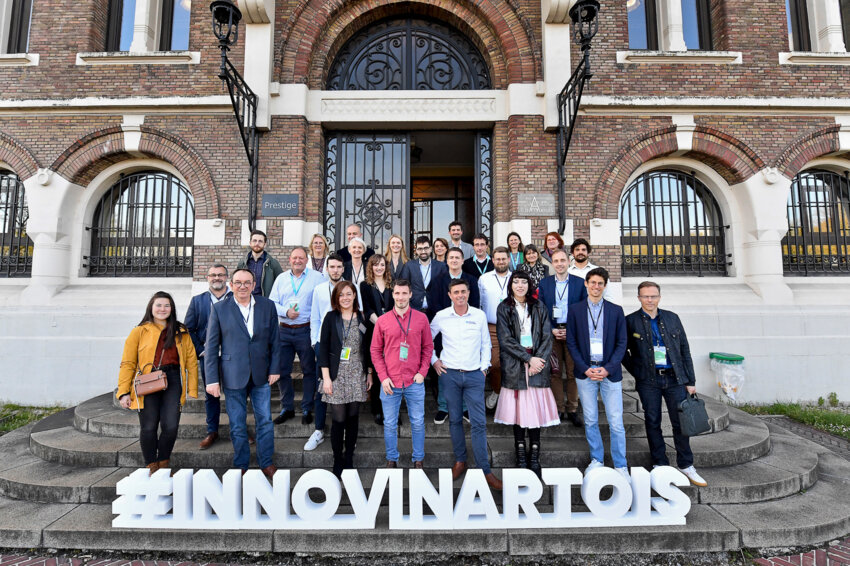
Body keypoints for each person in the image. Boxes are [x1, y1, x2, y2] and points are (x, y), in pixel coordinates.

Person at [623, 281, 708, 487]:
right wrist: (639, 371)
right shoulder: (630, 321)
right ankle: (660, 463)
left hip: (674, 379)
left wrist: (690, 381)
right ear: (639, 298)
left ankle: (686, 464)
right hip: (648, 381)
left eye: (653, 296)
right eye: (645, 296)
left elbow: (684, 349)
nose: (650, 300)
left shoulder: (672, 318)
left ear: (659, 297)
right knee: (652, 421)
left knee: (680, 423)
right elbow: (624, 353)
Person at [205, 269, 281, 479]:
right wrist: (212, 379)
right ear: (231, 284)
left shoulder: (267, 306)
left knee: (265, 420)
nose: (242, 286)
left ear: (254, 284)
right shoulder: (220, 309)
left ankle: (266, 461)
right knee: (237, 423)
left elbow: (275, 341)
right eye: (238, 282)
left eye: (247, 282)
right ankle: (241, 462)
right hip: (232, 374)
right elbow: (211, 347)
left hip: (261, 374)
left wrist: (275, 368)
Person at [430, 278, 502, 490]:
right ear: (449, 295)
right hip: (450, 375)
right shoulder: (442, 316)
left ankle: (485, 470)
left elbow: (486, 344)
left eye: (463, 291)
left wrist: (484, 368)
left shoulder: (479, 315)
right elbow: (426, 340)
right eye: (456, 292)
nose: (460, 295)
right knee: (454, 420)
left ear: (468, 293)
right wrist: (434, 361)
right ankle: (460, 461)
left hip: (474, 376)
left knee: (479, 423)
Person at [117, 292, 199, 473]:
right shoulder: (139, 331)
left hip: (173, 380)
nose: (163, 309)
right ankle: (151, 465)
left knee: (171, 426)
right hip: (148, 381)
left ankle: (163, 461)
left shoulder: (181, 331)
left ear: (172, 309)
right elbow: (128, 362)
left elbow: (191, 361)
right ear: (151, 308)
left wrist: (192, 389)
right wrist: (123, 392)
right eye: (159, 305)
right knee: (148, 427)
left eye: (167, 306)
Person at [565, 267, 629, 480]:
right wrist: (585, 368)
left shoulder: (616, 310)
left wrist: (608, 368)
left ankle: (621, 464)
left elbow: (622, 343)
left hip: (609, 372)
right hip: (586, 372)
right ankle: (597, 459)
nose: (596, 286)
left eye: (600, 283)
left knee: (616, 421)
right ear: (586, 284)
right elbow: (571, 343)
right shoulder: (574, 310)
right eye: (592, 282)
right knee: (591, 419)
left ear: (604, 285)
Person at [493, 271, 558, 478]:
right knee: (518, 414)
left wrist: (537, 360)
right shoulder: (504, 308)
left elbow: (547, 337)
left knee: (535, 414)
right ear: (510, 285)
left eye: (523, 282)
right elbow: (505, 340)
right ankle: (520, 453)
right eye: (516, 282)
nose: (520, 285)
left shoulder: (539, 306)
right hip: (516, 365)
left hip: (537, 365)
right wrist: (527, 359)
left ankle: (535, 455)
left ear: (529, 285)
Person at [370, 280, 434, 468]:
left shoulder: (421, 319)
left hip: (414, 380)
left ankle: (418, 459)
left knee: (417, 422)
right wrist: (383, 377)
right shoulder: (382, 321)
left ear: (410, 295)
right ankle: (392, 459)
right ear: (393, 295)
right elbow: (375, 351)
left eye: (404, 293)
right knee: (389, 424)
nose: (400, 297)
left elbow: (428, 347)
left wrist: (423, 372)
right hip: (390, 381)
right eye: (397, 293)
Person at [318, 281, 372, 477]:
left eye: (349, 294)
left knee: (353, 418)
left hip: (357, 373)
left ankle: (349, 456)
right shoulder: (331, 318)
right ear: (336, 298)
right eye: (341, 295)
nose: (345, 298)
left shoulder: (363, 318)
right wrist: (326, 378)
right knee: (339, 419)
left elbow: (368, 348)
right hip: (336, 374)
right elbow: (323, 348)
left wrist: (370, 373)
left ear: (355, 296)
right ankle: (337, 458)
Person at [269, 246, 325, 425]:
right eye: (295, 258)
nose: (298, 261)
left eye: (301, 258)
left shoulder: (317, 278)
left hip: (305, 330)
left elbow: (322, 301)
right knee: (283, 370)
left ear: (306, 260)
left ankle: (307, 407)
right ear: (290, 260)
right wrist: (285, 311)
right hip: (284, 330)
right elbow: (272, 303)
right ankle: (287, 407)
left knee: (309, 371)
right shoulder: (281, 279)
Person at [184, 264, 232, 450]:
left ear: (226, 277)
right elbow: (188, 329)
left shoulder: (235, 298)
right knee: (211, 395)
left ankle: (240, 430)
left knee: (237, 394)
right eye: (213, 275)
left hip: (232, 356)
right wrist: (200, 350)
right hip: (208, 357)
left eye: (220, 275)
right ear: (208, 278)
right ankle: (211, 431)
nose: (217, 278)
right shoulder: (198, 301)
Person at [537, 249, 587, 425]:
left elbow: (583, 310)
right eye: (555, 261)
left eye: (562, 260)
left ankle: (572, 408)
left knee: (574, 372)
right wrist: (550, 329)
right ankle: (558, 408)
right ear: (552, 263)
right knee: (555, 372)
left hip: (573, 334)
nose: (559, 264)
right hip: (552, 333)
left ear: (569, 261)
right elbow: (541, 310)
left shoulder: (580, 283)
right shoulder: (545, 284)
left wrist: (571, 330)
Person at [430, 247, 478, 423]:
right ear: (447, 261)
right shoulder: (438, 281)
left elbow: (475, 303)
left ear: (463, 260)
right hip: (444, 329)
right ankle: (443, 407)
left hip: (467, 329)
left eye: (457, 257)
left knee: (464, 368)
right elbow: (434, 304)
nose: (454, 260)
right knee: (444, 368)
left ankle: (464, 408)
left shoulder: (471, 280)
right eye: (451, 257)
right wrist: (446, 320)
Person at [304, 253, 346, 451]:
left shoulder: (350, 289)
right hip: (323, 345)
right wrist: (314, 343)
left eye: (339, 267)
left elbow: (358, 314)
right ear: (327, 269)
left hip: (346, 346)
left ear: (343, 269)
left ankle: (343, 428)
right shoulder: (319, 289)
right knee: (322, 387)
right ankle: (319, 430)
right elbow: (314, 318)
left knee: (344, 387)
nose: (335, 270)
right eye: (332, 267)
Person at [360, 254, 395, 424]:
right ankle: (377, 410)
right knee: (375, 368)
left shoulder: (392, 283)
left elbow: (397, 306)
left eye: (382, 265)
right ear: (371, 267)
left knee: (391, 369)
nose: (379, 268)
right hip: (374, 331)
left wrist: (389, 325)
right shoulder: (365, 285)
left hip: (392, 333)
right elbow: (367, 309)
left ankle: (391, 410)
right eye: (375, 265)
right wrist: (382, 323)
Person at [478, 247, 511, 410]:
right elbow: (479, 304)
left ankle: (509, 397)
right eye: (497, 259)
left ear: (509, 259)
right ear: (493, 261)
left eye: (503, 259)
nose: (501, 262)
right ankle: (497, 391)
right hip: (491, 326)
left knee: (513, 364)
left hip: (513, 328)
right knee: (495, 364)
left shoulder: (516, 278)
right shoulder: (484, 279)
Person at [407, 235, 447, 317]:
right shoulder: (409, 266)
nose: (423, 251)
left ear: (431, 249)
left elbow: (445, 289)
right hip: (414, 310)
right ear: (416, 251)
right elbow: (404, 286)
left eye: (426, 248)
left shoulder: (441, 266)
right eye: (420, 249)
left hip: (436, 312)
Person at [236, 229, 283, 297]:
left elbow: (281, 283)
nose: (257, 243)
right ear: (250, 243)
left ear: (265, 244)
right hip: (245, 300)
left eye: (260, 241)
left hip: (264, 302)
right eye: (254, 240)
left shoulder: (273, 263)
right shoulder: (242, 263)